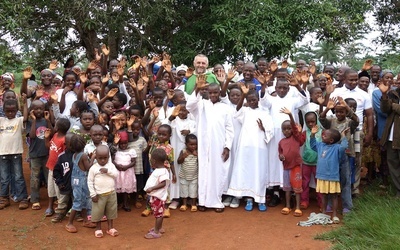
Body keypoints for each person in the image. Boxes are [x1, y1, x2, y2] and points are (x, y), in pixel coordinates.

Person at [186, 75, 234, 212]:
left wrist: (227, 146)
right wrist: (197, 88)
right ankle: (202, 201)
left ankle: (216, 201)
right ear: (206, 92)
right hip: (203, 146)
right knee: (204, 172)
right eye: (210, 92)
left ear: (220, 93)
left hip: (218, 146)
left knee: (217, 172)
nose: (212, 95)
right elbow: (189, 105)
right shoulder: (201, 104)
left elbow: (230, 129)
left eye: (215, 92)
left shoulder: (225, 108)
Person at [259, 75, 308, 207]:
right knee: (275, 162)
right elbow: (263, 101)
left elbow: (305, 100)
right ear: (275, 88)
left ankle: (290, 192)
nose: (281, 90)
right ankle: (276, 192)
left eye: (284, 88)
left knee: (290, 161)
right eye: (279, 88)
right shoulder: (272, 99)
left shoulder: (293, 100)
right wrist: (263, 85)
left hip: (290, 135)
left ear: (288, 88)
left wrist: (297, 85)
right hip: (275, 136)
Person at [226, 85, 273, 211]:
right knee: (247, 172)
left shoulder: (265, 112)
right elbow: (237, 111)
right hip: (245, 146)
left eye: (254, 99)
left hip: (260, 147)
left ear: (258, 99)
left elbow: (270, 130)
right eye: (249, 100)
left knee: (259, 172)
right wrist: (243, 95)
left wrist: (264, 129)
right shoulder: (245, 111)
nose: (252, 102)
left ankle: (260, 199)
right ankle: (249, 199)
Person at [329, 69, 374, 197]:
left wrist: (369, 133)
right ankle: (338, 187)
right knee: (339, 158)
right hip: (339, 131)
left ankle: (354, 188)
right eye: (351, 80)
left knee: (356, 159)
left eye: (356, 80)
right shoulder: (337, 92)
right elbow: (329, 110)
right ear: (344, 79)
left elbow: (369, 115)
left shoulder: (363, 94)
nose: (354, 82)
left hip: (357, 131)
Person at [319, 97, 359, 214]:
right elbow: (321, 119)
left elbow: (356, 120)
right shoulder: (331, 121)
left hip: (346, 155)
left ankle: (347, 206)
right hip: (332, 157)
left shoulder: (349, 122)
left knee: (345, 181)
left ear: (346, 112)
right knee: (333, 180)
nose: (339, 114)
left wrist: (347, 107)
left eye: (342, 111)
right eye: (337, 111)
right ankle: (330, 205)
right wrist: (327, 109)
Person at [310, 127, 349, 224]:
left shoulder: (337, 148)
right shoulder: (320, 145)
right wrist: (312, 135)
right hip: (321, 176)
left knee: (334, 196)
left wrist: (344, 137)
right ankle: (324, 212)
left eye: (325, 135)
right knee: (324, 195)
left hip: (332, 176)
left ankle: (334, 215)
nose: (322, 135)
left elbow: (344, 147)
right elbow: (312, 145)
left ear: (331, 140)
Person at [165, 101, 196, 210]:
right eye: (179, 110)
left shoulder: (192, 122)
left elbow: (196, 131)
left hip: (189, 152)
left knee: (188, 173)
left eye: (184, 110)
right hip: (175, 148)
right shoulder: (173, 122)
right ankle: (175, 198)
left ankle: (188, 198)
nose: (182, 112)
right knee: (176, 173)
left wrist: (190, 131)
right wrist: (171, 116)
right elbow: (165, 126)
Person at [0, 99, 29, 210]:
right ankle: (4, 199)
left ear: (17, 110)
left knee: (18, 176)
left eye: (13, 111)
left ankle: (23, 198)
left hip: (16, 153)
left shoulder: (19, 120)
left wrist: (24, 103)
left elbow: (26, 117)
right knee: (4, 178)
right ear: (4, 111)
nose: (10, 113)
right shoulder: (1, 120)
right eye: (8, 111)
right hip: (2, 153)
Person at [142, 124, 176, 217]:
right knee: (151, 187)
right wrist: (154, 118)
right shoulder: (154, 140)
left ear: (169, 136)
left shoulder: (169, 148)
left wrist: (174, 174)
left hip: (164, 171)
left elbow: (171, 162)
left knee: (164, 189)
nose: (161, 136)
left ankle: (166, 208)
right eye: (159, 134)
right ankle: (149, 207)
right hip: (153, 170)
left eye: (164, 134)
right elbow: (147, 128)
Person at [65, 134, 96, 233]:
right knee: (78, 202)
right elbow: (88, 168)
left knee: (83, 200)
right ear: (84, 144)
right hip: (81, 182)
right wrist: (92, 158)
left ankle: (85, 220)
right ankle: (69, 223)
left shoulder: (75, 155)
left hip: (76, 181)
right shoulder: (83, 155)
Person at [26, 100, 53, 210]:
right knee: (35, 178)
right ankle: (35, 199)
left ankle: (52, 197)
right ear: (32, 110)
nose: (38, 111)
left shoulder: (45, 121)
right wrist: (33, 121)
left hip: (46, 154)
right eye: (36, 109)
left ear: (44, 109)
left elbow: (53, 131)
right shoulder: (29, 122)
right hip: (35, 155)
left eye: (41, 108)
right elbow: (32, 135)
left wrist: (48, 120)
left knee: (49, 178)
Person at [278, 108, 305, 217]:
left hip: (296, 167)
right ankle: (288, 206)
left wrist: (290, 115)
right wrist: (281, 157)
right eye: (284, 129)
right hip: (286, 168)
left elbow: (294, 128)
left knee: (297, 189)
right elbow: (280, 153)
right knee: (287, 188)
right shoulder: (281, 142)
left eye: (289, 129)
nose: (287, 131)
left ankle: (298, 207)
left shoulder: (296, 138)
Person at [88, 145, 119, 238]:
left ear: (108, 157)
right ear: (95, 157)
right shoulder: (93, 168)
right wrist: (93, 194)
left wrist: (108, 171)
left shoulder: (111, 166)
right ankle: (98, 229)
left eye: (105, 158)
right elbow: (90, 182)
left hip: (111, 193)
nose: (102, 160)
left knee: (111, 211)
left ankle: (110, 228)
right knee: (98, 212)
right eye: (100, 158)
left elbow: (116, 175)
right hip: (99, 195)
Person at [44, 118, 71, 217]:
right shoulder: (55, 136)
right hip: (51, 167)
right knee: (50, 189)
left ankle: (61, 209)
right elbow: (49, 147)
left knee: (59, 190)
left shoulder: (64, 140)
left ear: (58, 127)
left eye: (55, 125)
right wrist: (46, 138)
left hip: (59, 170)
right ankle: (50, 207)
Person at [379, 80, 400, 197]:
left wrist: (394, 105)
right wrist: (384, 95)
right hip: (391, 137)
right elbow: (385, 109)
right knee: (393, 164)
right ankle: (399, 191)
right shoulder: (393, 94)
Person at [143, 148, 170, 239]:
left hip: (159, 197)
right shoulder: (160, 169)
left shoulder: (162, 171)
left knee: (159, 214)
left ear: (154, 161)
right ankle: (159, 227)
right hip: (156, 196)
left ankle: (156, 232)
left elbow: (163, 183)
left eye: (150, 159)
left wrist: (152, 188)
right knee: (159, 213)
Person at [300, 111, 323, 209]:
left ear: (316, 121)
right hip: (306, 162)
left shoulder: (322, 132)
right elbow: (300, 142)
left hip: (318, 162)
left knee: (320, 183)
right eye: (308, 122)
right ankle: (304, 201)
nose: (310, 124)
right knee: (305, 183)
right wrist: (298, 132)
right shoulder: (305, 133)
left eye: (313, 121)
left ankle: (321, 202)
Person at [52, 133, 74, 223]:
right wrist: (59, 183)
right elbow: (56, 172)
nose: (73, 145)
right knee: (62, 201)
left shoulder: (80, 155)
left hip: (76, 185)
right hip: (65, 184)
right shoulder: (61, 157)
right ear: (65, 144)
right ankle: (60, 214)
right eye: (71, 143)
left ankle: (78, 214)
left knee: (77, 200)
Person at [112, 131, 137, 212]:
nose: (123, 145)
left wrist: (126, 167)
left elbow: (133, 162)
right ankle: (118, 203)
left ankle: (126, 203)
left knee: (125, 189)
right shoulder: (116, 150)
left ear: (128, 142)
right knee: (117, 188)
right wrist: (116, 165)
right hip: (117, 172)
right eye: (121, 143)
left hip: (127, 172)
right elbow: (111, 160)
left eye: (125, 143)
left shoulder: (131, 151)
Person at [177, 134, 199, 212]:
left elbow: (201, 163)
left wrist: (197, 156)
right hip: (184, 176)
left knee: (193, 191)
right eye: (191, 144)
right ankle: (184, 204)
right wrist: (183, 156)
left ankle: (193, 204)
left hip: (194, 176)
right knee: (184, 191)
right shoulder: (183, 151)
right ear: (186, 144)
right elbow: (178, 161)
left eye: (195, 144)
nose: (193, 146)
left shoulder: (197, 152)